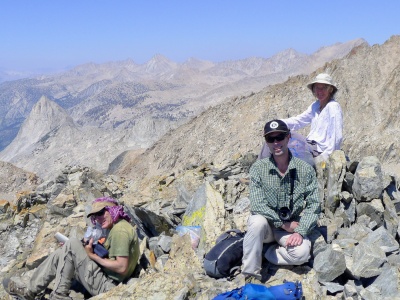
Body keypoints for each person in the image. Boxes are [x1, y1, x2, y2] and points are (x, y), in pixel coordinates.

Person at [3, 197, 140, 300]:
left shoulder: (120, 231)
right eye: (95, 216)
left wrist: (92, 256)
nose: (98, 219)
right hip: (106, 278)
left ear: (111, 210)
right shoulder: (117, 227)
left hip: (108, 286)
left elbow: (121, 267)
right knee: (63, 251)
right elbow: (112, 256)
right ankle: (29, 291)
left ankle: (58, 296)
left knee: (72, 243)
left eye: (101, 213)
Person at [241, 120, 320, 282]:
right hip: (269, 226)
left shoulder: (304, 170)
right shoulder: (258, 169)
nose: (276, 142)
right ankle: (251, 275)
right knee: (256, 222)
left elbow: (314, 205)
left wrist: (301, 230)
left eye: (280, 137)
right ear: (266, 142)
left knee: (302, 254)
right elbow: (257, 205)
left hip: (290, 230)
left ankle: (265, 253)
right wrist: (283, 224)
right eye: (271, 139)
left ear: (288, 137)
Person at [259, 73, 343, 165]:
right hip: (309, 143)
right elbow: (299, 121)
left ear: (330, 89)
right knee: (272, 136)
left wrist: (327, 157)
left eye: (323, 88)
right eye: (317, 88)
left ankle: (261, 168)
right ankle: (260, 168)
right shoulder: (315, 106)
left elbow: (336, 135)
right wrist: (278, 124)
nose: (320, 91)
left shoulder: (333, 107)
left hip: (319, 149)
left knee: (283, 137)